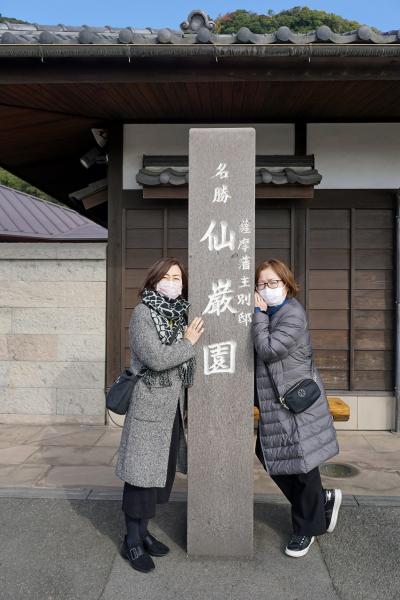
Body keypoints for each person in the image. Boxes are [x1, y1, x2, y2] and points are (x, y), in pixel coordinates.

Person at [116, 257, 204, 573]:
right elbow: (156, 358)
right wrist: (188, 342)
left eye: (177, 277)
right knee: (141, 478)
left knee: (157, 477)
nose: (172, 281)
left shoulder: (179, 314)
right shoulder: (143, 314)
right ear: (154, 281)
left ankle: (144, 532)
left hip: (171, 411)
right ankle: (132, 542)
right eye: (166, 276)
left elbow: (182, 365)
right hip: (149, 407)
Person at [252, 258, 342, 558]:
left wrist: (258, 314)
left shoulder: (291, 314)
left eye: (273, 283)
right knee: (269, 455)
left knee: (302, 465)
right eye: (262, 284)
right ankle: (319, 501)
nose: (267, 288)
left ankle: (307, 529)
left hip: (296, 403)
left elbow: (268, 349)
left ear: (287, 285)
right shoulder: (271, 313)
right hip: (277, 403)